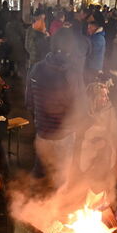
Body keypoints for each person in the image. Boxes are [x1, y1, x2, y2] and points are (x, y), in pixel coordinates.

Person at [26, 28, 87, 189]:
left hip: (42, 133)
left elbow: (29, 102)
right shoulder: (72, 73)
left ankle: (27, 205)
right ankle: (54, 210)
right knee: (61, 180)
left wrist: (41, 119)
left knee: (39, 172)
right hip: (63, 136)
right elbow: (81, 108)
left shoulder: (36, 69)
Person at [74, 74, 117, 193]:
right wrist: (91, 141)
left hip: (105, 145)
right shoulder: (85, 111)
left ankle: (98, 190)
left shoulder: (109, 110)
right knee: (84, 156)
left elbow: (115, 131)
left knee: (104, 154)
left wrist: (105, 140)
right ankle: (81, 189)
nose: (107, 98)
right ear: (94, 97)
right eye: (103, 96)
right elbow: (78, 132)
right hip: (86, 145)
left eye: (107, 95)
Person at [5, 11, 27, 78]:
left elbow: (6, 34)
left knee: (11, 58)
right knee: (19, 59)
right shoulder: (18, 24)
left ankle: (11, 72)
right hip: (18, 43)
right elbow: (23, 34)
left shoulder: (8, 24)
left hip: (9, 43)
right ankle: (18, 72)